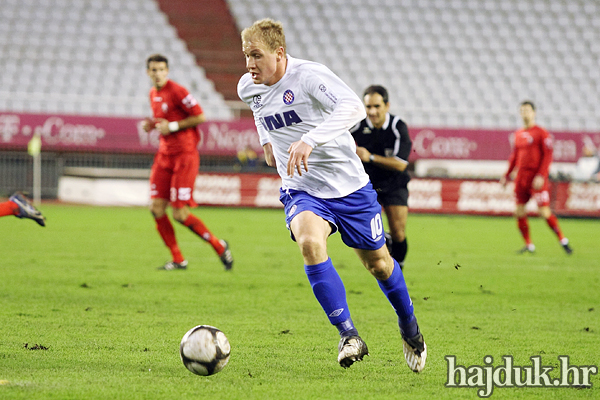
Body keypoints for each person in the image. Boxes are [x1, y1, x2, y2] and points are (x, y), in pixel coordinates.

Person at [237, 19, 426, 372]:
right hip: (302, 188)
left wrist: (309, 139)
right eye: (246, 55)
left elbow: (353, 107)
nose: (249, 64)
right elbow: (259, 111)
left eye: (256, 55)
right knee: (309, 242)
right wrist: (267, 141)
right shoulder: (248, 86)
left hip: (349, 187)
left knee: (380, 266)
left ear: (279, 53)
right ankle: (348, 335)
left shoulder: (309, 76)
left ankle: (409, 326)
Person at [141, 54, 233, 271]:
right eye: (153, 70)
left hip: (185, 156)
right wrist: (152, 125)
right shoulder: (153, 93)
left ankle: (219, 246)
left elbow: (200, 117)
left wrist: (172, 127)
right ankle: (178, 259)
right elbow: (165, 119)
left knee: (179, 214)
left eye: (161, 69)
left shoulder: (178, 91)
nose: (157, 74)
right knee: (155, 208)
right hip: (164, 156)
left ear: (167, 71)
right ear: (148, 72)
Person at [350, 85, 412, 269]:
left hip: (395, 184)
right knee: (365, 230)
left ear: (387, 106)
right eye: (368, 107)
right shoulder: (357, 126)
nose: (372, 111)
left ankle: (398, 267)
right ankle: (385, 243)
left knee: (399, 233)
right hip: (368, 185)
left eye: (377, 106)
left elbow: (401, 163)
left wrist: (369, 157)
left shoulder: (397, 126)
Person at [500, 101, 572, 254]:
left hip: (536, 178)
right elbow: (514, 157)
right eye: (522, 110)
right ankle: (529, 244)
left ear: (534, 113)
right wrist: (507, 175)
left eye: (527, 110)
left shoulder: (541, 133)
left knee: (544, 212)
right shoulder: (518, 134)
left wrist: (541, 175)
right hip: (521, 178)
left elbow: (548, 156)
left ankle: (562, 240)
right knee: (519, 211)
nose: (525, 113)